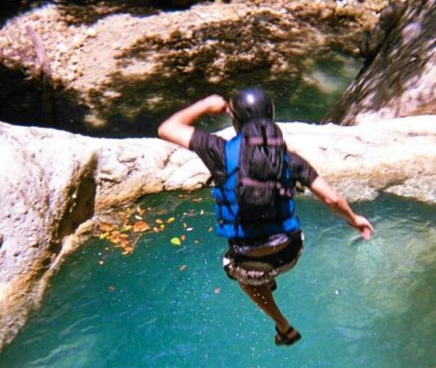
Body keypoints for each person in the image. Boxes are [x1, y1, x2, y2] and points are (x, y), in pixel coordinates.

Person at [158, 88, 374, 346]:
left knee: (237, 269)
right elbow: (332, 199)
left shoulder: (218, 151)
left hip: (251, 263)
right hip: (291, 252)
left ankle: (283, 326)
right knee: (268, 251)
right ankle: (266, 277)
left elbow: (167, 128)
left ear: (235, 122)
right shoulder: (289, 159)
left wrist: (205, 104)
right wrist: (355, 219)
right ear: (271, 118)